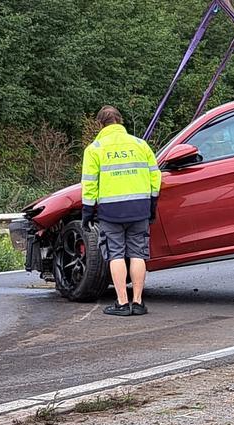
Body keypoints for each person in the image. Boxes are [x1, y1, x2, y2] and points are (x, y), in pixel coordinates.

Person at [81, 106, 161, 317]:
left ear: (100, 124)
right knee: (137, 254)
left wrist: (87, 212)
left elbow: (89, 184)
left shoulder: (94, 149)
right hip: (139, 208)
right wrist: (152, 205)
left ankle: (122, 303)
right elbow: (155, 177)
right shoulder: (140, 145)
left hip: (111, 211)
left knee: (115, 254)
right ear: (120, 122)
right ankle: (138, 302)